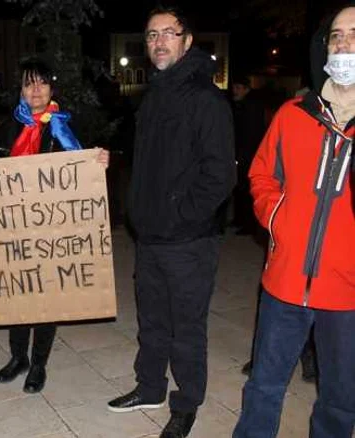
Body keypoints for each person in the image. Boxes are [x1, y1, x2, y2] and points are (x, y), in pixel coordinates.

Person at [106, 7, 236, 438]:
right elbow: (150, 163)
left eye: (168, 33)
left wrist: (180, 215)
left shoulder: (205, 98)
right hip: (150, 236)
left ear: (187, 40)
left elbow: (220, 175)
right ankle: (149, 388)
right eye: (151, 35)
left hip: (187, 241)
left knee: (186, 327)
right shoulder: (154, 94)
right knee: (152, 322)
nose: (159, 42)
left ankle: (186, 403)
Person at [233, 5, 355, 437]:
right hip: (284, 283)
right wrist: (277, 215)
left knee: (341, 399)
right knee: (264, 385)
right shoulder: (294, 113)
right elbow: (261, 173)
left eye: (354, 35)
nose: (343, 44)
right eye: (336, 35)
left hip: (347, 294)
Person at [0, 59, 110, 394]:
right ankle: (18, 358)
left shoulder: (65, 129)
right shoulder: (6, 129)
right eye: (29, 84)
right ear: (21, 90)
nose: (36, 91)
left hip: (52, 233)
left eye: (42, 83)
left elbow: (85, 171)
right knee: (17, 294)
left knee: (46, 298)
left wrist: (99, 161)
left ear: (51, 89)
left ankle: (39, 363)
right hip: (15, 231)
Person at [230, 75, 266, 235]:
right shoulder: (239, 105)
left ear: (246, 90)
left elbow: (250, 134)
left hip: (248, 155)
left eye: (238, 88)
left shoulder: (251, 107)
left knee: (246, 191)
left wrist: (242, 156)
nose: (234, 91)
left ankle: (248, 224)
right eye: (234, 87)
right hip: (241, 153)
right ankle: (239, 219)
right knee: (238, 188)